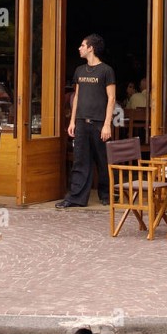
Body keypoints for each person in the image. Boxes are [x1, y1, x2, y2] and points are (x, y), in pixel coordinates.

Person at [56, 34, 116, 209]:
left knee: (103, 160)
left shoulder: (106, 70)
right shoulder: (80, 71)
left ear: (91, 48)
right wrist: (72, 121)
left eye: (82, 45)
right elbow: (77, 97)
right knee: (80, 160)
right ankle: (76, 197)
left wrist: (107, 124)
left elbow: (111, 98)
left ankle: (106, 195)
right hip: (81, 121)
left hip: (99, 122)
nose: (79, 48)